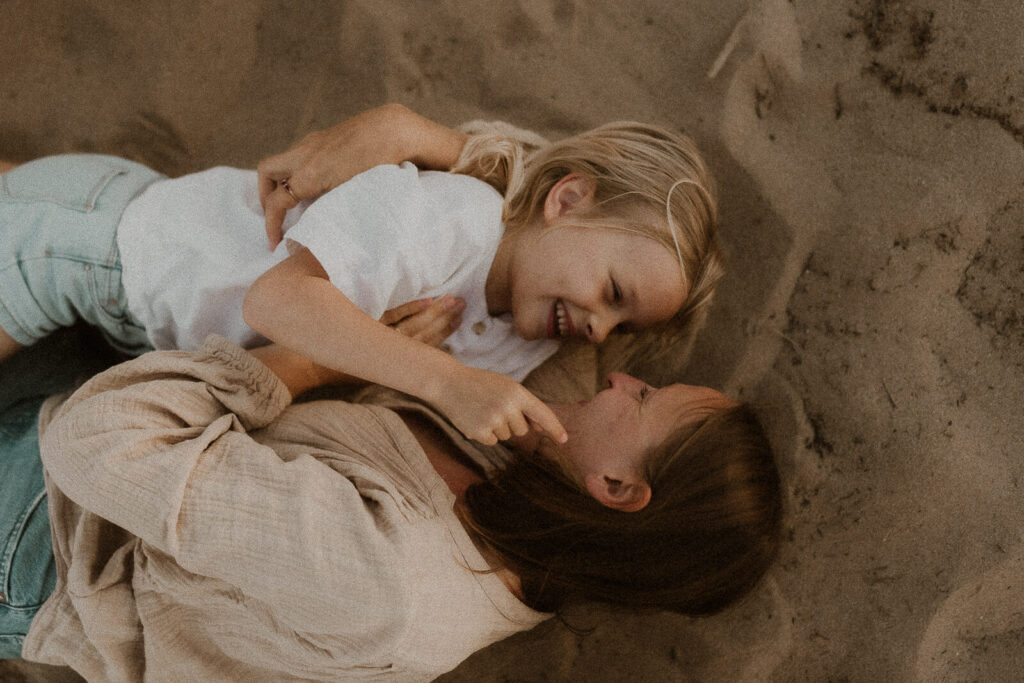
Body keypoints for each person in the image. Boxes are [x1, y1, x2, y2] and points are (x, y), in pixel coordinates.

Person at [0, 332, 783, 681]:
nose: (618, 380)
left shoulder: (387, 582)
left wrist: (316, 357)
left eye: (642, 397)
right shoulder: (535, 480)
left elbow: (94, 443)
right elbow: (543, 219)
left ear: (617, 487)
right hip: (136, 393)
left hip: (51, 535)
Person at [0, 104, 722, 447]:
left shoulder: (525, 342)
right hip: (100, 254)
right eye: (613, 293)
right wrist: (445, 379)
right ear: (566, 200)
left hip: (148, 290)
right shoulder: (454, 220)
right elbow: (278, 298)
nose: (599, 326)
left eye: (622, 325)